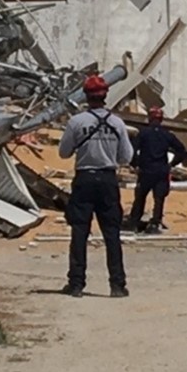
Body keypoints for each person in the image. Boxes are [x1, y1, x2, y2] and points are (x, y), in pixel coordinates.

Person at [57, 74, 134, 298]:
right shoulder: (117, 123)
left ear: (86, 96)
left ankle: (76, 284)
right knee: (112, 233)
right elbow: (126, 157)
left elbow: (63, 152)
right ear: (105, 96)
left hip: (84, 179)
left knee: (79, 232)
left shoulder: (77, 122)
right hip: (108, 180)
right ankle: (117, 285)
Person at [127, 107, 187, 234]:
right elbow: (181, 150)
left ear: (149, 118)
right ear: (161, 119)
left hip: (146, 170)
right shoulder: (167, 135)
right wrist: (172, 164)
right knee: (159, 198)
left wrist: (135, 164)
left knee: (140, 197)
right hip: (161, 170)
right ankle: (155, 223)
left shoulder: (143, 133)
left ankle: (134, 222)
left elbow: (131, 150)